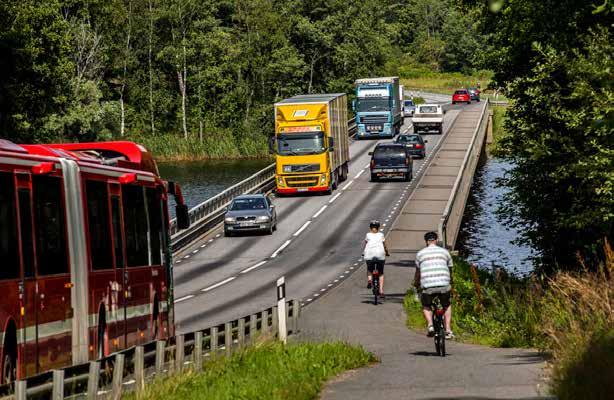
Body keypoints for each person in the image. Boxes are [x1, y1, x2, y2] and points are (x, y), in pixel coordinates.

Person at [414, 231, 454, 339]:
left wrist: (416, 283)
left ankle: (430, 325)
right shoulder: (445, 252)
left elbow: (418, 272)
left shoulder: (420, 254)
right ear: (436, 240)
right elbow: (450, 269)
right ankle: (448, 330)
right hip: (444, 284)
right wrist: (451, 281)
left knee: (426, 305)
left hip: (428, 286)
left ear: (426, 242)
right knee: (446, 305)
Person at [363, 220, 390, 297]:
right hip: (380, 255)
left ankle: (369, 280)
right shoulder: (381, 235)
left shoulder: (368, 235)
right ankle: (381, 291)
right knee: (381, 273)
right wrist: (387, 252)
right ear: (378, 228)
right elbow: (384, 245)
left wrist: (363, 252)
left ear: (370, 228)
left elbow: (365, 245)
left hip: (369, 255)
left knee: (369, 269)